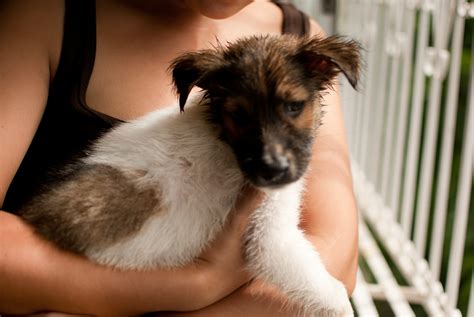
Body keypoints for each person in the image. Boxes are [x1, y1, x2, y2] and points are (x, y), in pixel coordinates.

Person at [0, 0, 359, 316]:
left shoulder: (299, 36)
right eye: (240, 117)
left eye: (293, 108)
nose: (272, 153)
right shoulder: (46, 14)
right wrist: (195, 285)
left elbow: (336, 261)